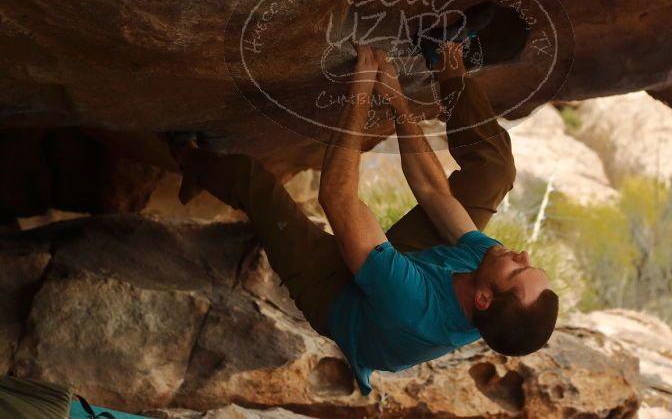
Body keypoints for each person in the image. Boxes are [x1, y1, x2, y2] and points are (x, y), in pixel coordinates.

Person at [169, 41, 559, 396]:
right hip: (415, 266)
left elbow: (337, 198)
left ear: (484, 298)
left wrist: (361, 91)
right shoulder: (487, 272)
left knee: (254, 185)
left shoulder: (416, 308)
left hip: (339, 293)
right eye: (530, 264)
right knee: (492, 174)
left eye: (518, 270)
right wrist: (396, 103)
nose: (522, 255)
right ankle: (447, 60)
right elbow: (436, 194)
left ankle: (186, 158)